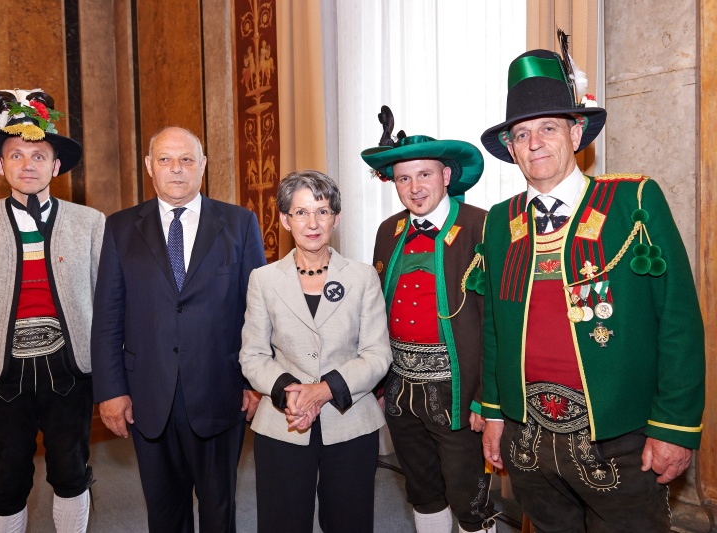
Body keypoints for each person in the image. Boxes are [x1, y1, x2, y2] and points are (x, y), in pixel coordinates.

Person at [478, 49, 705, 532]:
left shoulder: (633, 201)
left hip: (619, 440)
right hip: (528, 437)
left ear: (577, 134)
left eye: (548, 128)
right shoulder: (500, 221)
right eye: (522, 134)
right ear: (511, 148)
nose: (534, 143)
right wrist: (495, 413)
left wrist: (674, 428)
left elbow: (679, 321)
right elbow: (495, 328)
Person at [0, 88, 104, 532]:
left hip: (70, 370)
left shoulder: (89, 223)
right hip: (1, 372)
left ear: (56, 165)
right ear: (0, 164)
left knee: (70, 473)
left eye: (38, 156)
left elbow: (107, 305)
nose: (27, 164)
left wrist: (116, 377)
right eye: (16, 155)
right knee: (8, 478)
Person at [90, 126, 267, 533]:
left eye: (187, 159)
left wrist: (255, 381)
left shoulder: (239, 223)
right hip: (147, 394)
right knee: (164, 512)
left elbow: (258, 312)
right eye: (166, 160)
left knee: (219, 508)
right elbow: (107, 316)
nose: (177, 169)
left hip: (221, 392)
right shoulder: (119, 228)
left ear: (203, 166)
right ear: (150, 166)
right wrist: (112, 391)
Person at [362, 127, 498, 533]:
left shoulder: (481, 226)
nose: (415, 187)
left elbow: (496, 323)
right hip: (401, 388)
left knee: (469, 496)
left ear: (446, 176)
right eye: (404, 178)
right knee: (421, 490)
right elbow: (376, 312)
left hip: (458, 391)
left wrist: (484, 400)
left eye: (425, 174)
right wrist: (381, 387)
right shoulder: (388, 231)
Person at [239, 170, 391, 533]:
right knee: (282, 523)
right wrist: (293, 394)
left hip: (351, 422)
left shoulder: (363, 276)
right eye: (301, 212)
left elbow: (377, 354)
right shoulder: (263, 279)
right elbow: (253, 355)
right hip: (283, 421)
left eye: (322, 212)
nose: (312, 223)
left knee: (349, 523)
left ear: (335, 218)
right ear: (284, 219)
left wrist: (323, 391)